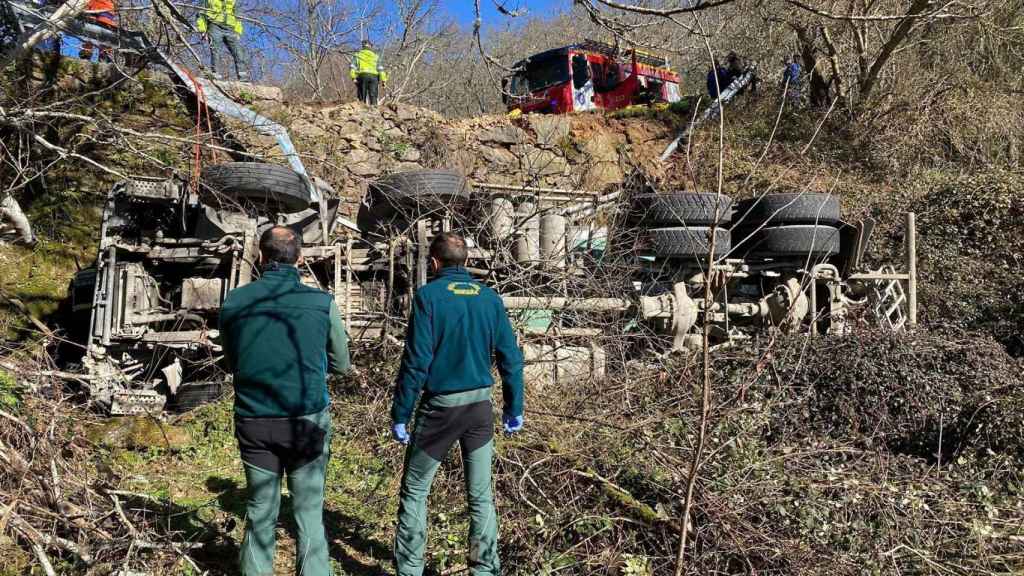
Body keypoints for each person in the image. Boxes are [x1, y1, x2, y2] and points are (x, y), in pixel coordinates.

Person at [219, 226, 352, 576]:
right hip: (305, 420)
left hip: (255, 420)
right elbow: (341, 364)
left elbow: (232, 362)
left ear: (261, 258)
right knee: (308, 511)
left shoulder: (234, 301)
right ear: (301, 258)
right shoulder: (322, 303)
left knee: (260, 511)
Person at [391, 232, 524, 576]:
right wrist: (514, 407)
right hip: (480, 408)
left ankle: (409, 570)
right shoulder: (489, 298)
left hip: (441, 409)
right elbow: (510, 356)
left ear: (433, 263)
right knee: (480, 495)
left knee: (416, 490)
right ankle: (485, 570)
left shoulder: (428, 297)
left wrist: (401, 413)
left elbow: (417, 360)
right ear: (466, 262)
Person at [197, 0, 249, 81]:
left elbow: (238, 17)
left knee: (238, 52)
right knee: (215, 50)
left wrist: (238, 31)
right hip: (214, 25)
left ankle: (243, 77)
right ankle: (215, 74)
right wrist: (202, 30)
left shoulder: (233, 1)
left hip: (230, 29)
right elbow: (200, 14)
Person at [350, 39, 387, 106]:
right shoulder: (375, 56)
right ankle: (374, 111)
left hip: (362, 76)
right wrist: (384, 80)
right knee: (373, 96)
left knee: (362, 96)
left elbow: (352, 67)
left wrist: (353, 77)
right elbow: (380, 69)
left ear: (362, 46)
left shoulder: (357, 55)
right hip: (374, 77)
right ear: (370, 46)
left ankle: (362, 111)